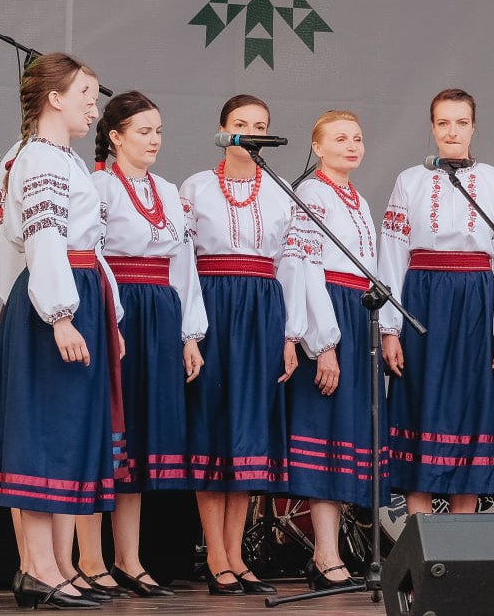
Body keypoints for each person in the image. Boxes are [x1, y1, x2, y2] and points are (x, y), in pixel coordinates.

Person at [0, 53, 120, 610]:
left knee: (61, 433)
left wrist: (108, 319)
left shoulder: (60, 159)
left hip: (71, 296)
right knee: (44, 434)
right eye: (86, 92)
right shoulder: (41, 160)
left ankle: (51, 568)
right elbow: (44, 242)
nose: (94, 103)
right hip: (54, 304)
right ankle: (39, 569)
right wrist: (60, 316)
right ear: (54, 98)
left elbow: (82, 247)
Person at [70, 91, 204, 600]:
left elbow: (184, 266)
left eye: (159, 131)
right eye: (144, 131)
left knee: (140, 442)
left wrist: (190, 335)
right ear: (117, 136)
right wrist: (110, 318)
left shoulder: (169, 191)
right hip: (118, 305)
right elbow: (93, 254)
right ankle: (90, 557)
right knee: (109, 434)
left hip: (161, 310)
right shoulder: (98, 186)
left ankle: (129, 558)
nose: (154, 140)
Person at [180, 95, 307, 597]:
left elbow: (293, 266)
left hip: (262, 309)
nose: (250, 133)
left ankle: (237, 554)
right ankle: (214, 554)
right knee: (215, 431)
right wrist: (190, 331)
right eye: (241, 124)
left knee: (249, 433)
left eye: (260, 126)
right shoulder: (195, 187)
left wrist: (291, 335)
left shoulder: (280, 192)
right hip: (214, 305)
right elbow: (183, 263)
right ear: (222, 130)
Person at [380, 88, 494, 513]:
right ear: (432, 127)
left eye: (461, 122)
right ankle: (418, 541)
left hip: (477, 302)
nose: (452, 131)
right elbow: (391, 255)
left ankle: (462, 548)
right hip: (422, 301)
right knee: (418, 407)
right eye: (443, 122)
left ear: (474, 126)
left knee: (472, 410)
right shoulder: (409, 180)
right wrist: (391, 328)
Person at [284, 111, 386, 589]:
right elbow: (305, 269)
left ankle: (334, 550)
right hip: (329, 313)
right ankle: (324, 554)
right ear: (317, 146)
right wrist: (323, 345)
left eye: (358, 138)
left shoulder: (358, 199)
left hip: (357, 309)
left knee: (349, 436)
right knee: (325, 434)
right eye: (340, 138)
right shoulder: (311, 194)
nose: (351, 145)